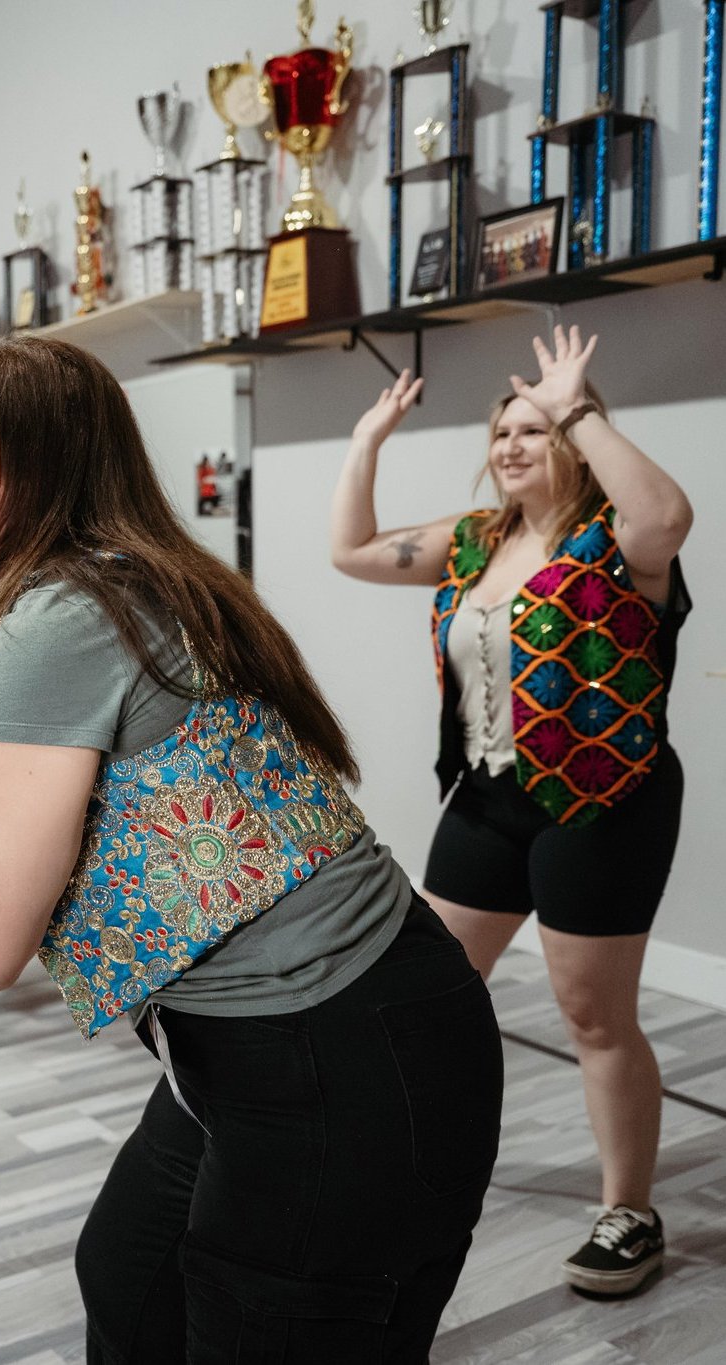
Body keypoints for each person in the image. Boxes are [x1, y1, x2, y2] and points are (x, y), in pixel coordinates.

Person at [0, 335, 503, 1362]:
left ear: (34, 464)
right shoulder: (119, 579)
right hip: (303, 1035)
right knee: (129, 1276)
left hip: (338, 1059)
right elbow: (115, 826)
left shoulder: (56, 619)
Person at [330, 324, 693, 1296]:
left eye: (533, 429)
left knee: (592, 1014)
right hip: (489, 800)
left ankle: (630, 1213)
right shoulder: (474, 539)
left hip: (602, 801)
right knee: (431, 990)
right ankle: (414, 1168)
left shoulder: (618, 541)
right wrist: (367, 440)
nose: (511, 444)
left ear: (575, 440)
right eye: (502, 430)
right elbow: (353, 552)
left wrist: (576, 401)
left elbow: (670, 515)